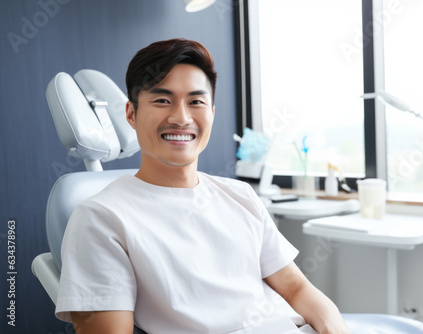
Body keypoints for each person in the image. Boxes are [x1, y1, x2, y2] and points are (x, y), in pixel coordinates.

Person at [55, 38, 350, 334]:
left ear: (211, 112)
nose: (181, 118)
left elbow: (297, 288)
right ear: (131, 114)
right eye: (162, 100)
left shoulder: (239, 195)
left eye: (196, 101)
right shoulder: (101, 218)